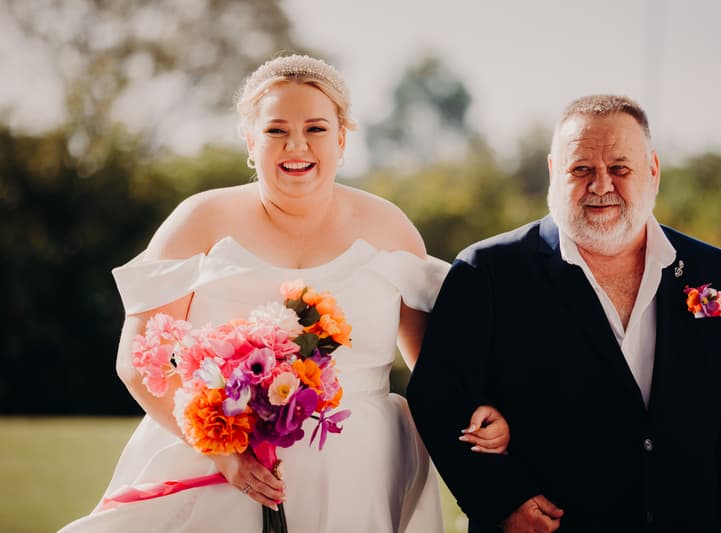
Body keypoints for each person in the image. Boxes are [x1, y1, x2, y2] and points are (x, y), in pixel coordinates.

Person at [58, 54, 509, 533]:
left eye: (315, 128)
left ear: (341, 138)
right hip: (216, 472)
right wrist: (226, 456)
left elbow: (434, 370)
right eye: (276, 130)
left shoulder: (390, 228)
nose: (297, 145)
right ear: (251, 141)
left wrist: (482, 412)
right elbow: (137, 362)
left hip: (362, 473)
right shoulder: (200, 220)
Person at [407, 94, 721, 533]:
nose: (601, 185)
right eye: (581, 169)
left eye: (620, 168)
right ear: (552, 172)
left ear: (653, 170)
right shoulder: (486, 270)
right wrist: (500, 501)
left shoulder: (714, 270)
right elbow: (437, 397)